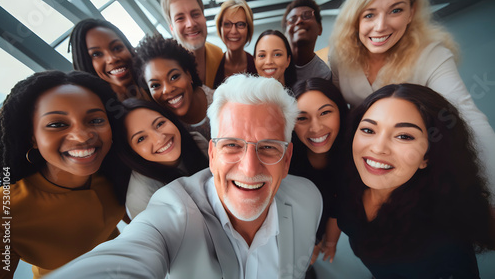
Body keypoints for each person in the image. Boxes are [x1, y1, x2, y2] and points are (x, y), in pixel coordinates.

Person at [46, 74, 322, 279]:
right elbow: (136, 248)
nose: (249, 169)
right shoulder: (170, 213)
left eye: (268, 148)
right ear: (212, 155)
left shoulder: (309, 199)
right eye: (232, 145)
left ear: (287, 160)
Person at [329, 0, 495, 198]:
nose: (381, 26)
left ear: (411, 12)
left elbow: (469, 117)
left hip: (408, 165)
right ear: (355, 19)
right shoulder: (340, 54)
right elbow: (338, 108)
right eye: (369, 14)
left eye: (396, 10)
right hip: (361, 156)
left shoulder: (430, 56)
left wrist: (492, 196)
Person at [337, 83, 495, 278]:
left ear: (427, 156)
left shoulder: (444, 245)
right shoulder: (345, 182)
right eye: (369, 130)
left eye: (404, 136)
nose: (378, 148)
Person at [0, 71, 129, 279]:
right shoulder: (2, 210)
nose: (82, 136)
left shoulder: (116, 169)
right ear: (33, 138)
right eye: (57, 124)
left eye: (95, 120)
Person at [114, 98, 208, 219]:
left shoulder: (197, 142)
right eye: (141, 138)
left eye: (159, 124)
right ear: (131, 151)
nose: (159, 139)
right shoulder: (142, 199)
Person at [289, 78, 348, 266]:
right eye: (302, 118)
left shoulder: (355, 160)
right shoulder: (284, 162)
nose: (316, 128)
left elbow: (338, 209)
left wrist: (329, 242)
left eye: (325, 113)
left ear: (341, 111)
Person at [134, 35, 214, 141]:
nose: (167, 89)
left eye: (174, 77)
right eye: (155, 85)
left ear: (188, 74)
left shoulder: (224, 100)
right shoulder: (164, 131)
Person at [69, 18, 150, 101]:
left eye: (117, 48)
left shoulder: (158, 85)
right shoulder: (102, 111)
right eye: (96, 54)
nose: (112, 59)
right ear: (86, 64)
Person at [160, 0, 223, 88]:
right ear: (171, 29)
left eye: (196, 14)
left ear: (204, 18)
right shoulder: (165, 69)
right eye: (180, 18)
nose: (191, 24)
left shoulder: (218, 54)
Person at [282, 0, 331, 81]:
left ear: (320, 28)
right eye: (292, 19)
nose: (299, 21)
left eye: (307, 15)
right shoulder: (274, 65)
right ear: (285, 34)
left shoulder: (324, 75)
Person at [213, 0, 257, 88]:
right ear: (220, 27)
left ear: (248, 29)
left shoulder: (257, 67)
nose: (233, 31)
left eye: (240, 24)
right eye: (227, 24)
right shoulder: (212, 66)